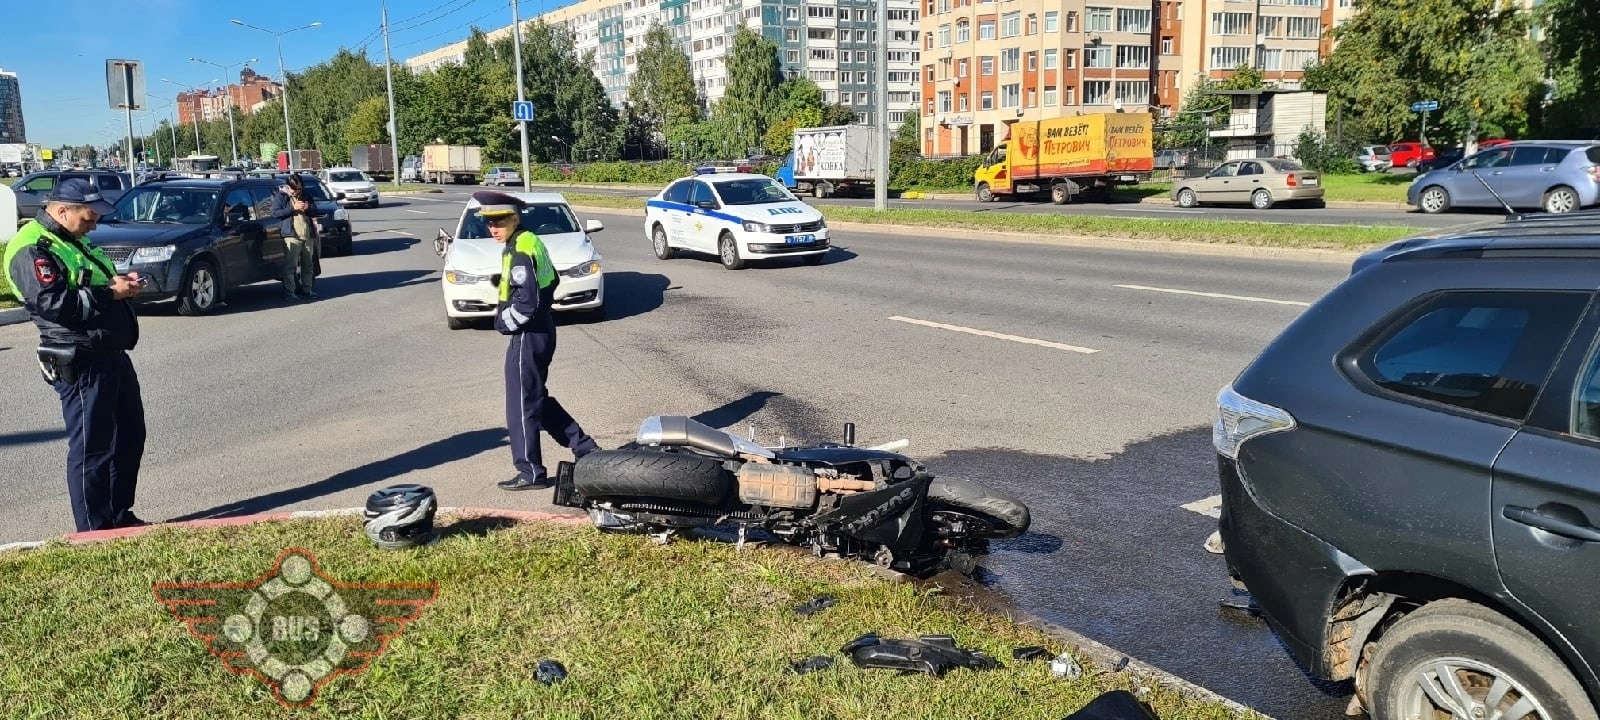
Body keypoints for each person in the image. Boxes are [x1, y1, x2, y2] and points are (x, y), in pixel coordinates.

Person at [3, 179, 149, 532]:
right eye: (88, 217)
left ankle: (118, 517)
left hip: (109, 352)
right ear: (62, 210)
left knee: (130, 435)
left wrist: (120, 283)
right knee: (92, 450)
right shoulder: (32, 248)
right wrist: (110, 294)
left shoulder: (72, 237)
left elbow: (93, 281)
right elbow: (54, 305)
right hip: (79, 357)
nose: (94, 224)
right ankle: (94, 533)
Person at [476, 190, 599, 490]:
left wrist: (501, 322)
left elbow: (526, 304)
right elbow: (552, 279)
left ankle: (530, 472)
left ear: (514, 218)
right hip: (543, 330)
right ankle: (583, 447)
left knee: (521, 405)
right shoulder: (529, 240)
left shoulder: (519, 249)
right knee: (535, 399)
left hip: (527, 335)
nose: (493, 227)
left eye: (500, 220)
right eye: (489, 222)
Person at [271, 174, 319, 300]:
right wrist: (293, 208)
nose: (297, 192)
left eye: (299, 189)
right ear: (288, 186)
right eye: (294, 189)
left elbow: (315, 211)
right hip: (291, 236)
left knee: (308, 265)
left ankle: (307, 290)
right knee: (290, 266)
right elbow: (276, 213)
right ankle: (290, 292)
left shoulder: (306, 195)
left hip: (307, 235)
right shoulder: (281, 196)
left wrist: (309, 208)